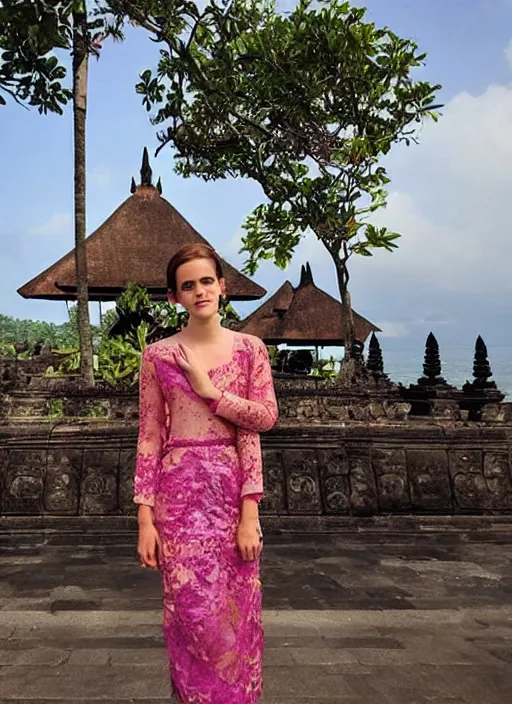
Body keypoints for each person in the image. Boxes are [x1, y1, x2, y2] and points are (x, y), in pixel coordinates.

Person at [134, 243, 279, 704]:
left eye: (207, 281)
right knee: (189, 613)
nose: (200, 291)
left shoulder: (249, 350)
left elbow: (261, 422)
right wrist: (144, 518)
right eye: (188, 285)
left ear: (223, 286)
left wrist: (211, 392)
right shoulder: (157, 355)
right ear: (174, 297)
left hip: (230, 494)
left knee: (236, 617)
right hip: (177, 503)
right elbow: (150, 435)